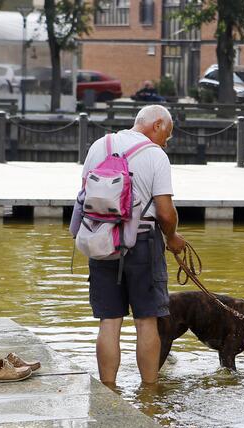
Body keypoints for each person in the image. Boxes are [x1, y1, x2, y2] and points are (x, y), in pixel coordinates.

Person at [80, 105, 185, 386]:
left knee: (109, 321)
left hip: (101, 240)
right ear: (158, 125)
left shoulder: (100, 145)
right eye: (167, 135)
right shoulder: (155, 155)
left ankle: (108, 388)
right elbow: (165, 211)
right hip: (142, 242)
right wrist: (173, 237)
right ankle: (149, 391)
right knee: (146, 322)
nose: (166, 141)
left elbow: (85, 195)